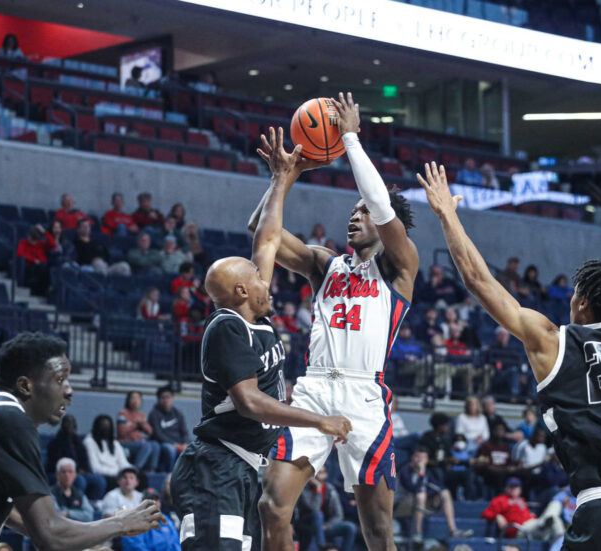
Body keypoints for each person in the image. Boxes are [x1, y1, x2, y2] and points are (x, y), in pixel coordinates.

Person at [418, 160, 601, 549]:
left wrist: (447, 216)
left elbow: (478, 280)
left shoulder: (551, 341)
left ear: (583, 302)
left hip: (600, 503)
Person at [249, 97, 420, 551]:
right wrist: (284, 179)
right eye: (354, 209)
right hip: (315, 389)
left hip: (365, 395)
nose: (355, 214)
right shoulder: (325, 265)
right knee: (271, 505)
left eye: (363, 211)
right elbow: (259, 229)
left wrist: (349, 138)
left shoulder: (399, 268)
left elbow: (383, 204)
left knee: (378, 529)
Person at [171, 126, 351, 551]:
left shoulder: (257, 315)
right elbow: (250, 402)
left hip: (241, 469)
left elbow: (267, 237)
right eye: (257, 276)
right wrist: (318, 420)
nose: (266, 278)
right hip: (214, 468)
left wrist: (283, 177)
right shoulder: (227, 327)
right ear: (241, 292)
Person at [0, 332, 162, 549]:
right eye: (60, 380)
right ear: (26, 386)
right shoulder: (8, 420)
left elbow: (20, 517)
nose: (70, 390)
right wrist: (120, 524)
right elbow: (50, 534)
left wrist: (89, 535)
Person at [394, 448, 473, 544]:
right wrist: (421, 473)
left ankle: (453, 530)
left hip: (420, 504)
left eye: (423, 458)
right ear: (413, 458)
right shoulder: (405, 471)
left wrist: (437, 498)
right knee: (421, 495)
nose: (420, 461)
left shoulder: (428, 472)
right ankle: (417, 533)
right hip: (401, 504)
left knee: (445, 493)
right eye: (418, 457)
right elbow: (414, 489)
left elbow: (437, 486)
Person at [296, 465, 358, 551]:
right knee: (318, 515)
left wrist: (326, 526)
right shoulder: (304, 490)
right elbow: (314, 509)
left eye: (321, 473)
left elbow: (338, 515)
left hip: (325, 526)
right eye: (315, 473)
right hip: (308, 524)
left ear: (326, 475)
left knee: (350, 527)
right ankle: (322, 545)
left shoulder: (330, 489)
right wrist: (318, 489)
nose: (317, 476)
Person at [47, 414, 107, 501]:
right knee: (80, 480)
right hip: (60, 472)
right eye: (67, 423)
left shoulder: (78, 443)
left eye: (72, 423)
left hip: (78, 471)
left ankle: (94, 503)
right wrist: (71, 471)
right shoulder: (55, 443)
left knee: (99, 480)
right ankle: (77, 502)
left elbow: (84, 461)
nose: (69, 426)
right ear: (62, 425)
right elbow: (54, 463)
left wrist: (82, 469)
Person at [481, 477, 563, 541]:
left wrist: (532, 517)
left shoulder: (521, 500)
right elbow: (485, 514)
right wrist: (497, 515)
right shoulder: (500, 499)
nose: (513, 489)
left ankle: (545, 525)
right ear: (506, 488)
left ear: (520, 489)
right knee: (554, 518)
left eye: (516, 486)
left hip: (533, 528)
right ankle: (545, 524)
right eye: (511, 486)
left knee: (556, 505)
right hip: (520, 530)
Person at [84, 414, 133, 489]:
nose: (106, 429)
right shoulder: (89, 442)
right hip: (105, 475)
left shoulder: (114, 443)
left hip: (119, 473)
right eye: (103, 426)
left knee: (140, 477)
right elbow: (95, 468)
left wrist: (132, 470)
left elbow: (123, 462)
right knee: (118, 481)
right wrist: (117, 472)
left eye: (108, 426)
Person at [118, 391, 161, 473]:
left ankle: (152, 470)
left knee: (155, 445)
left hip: (138, 442)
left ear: (141, 401)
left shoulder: (141, 415)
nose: (135, 400)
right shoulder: (122, 414)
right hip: (125, 443)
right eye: (133, 398)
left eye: (137, 398)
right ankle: (136, 470)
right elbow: (121, 433)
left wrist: (143, 425)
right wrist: (135, 425)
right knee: (146, 446)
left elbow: (150, 432)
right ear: (128, 400)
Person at [148, 386, 189, 472]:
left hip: (179, 443)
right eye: (163, 398)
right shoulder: (154, 414)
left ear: (172, 398)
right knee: (170, 450)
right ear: (158, 399)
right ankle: (171, 475)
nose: (166, 400)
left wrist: (184, 443)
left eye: (168, 397)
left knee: (193, 448)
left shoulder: (178, 413)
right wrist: (175, 445)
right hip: (164, 443)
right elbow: (157, 434)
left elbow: (184, 432)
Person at [17, 224, 57, 296]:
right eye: (32, 239)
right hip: (31, 267)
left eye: (36, 240)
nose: (34, 242)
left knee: (51, 269)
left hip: (43, 267)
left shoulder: (41, 244)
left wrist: (44, 232)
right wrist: (34, 260)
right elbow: (20, 254)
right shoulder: (23, 243)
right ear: (28, 236)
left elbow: (53, 244)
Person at [51, 458, 94, 522]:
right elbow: (56, 516)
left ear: (75, 475)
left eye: (70, 472)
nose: (67, 475)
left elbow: (89, 516)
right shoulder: (51, 493)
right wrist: (78, 514)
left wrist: (68, 513)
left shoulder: (79, 494)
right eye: (63, 472)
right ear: (57, 475)